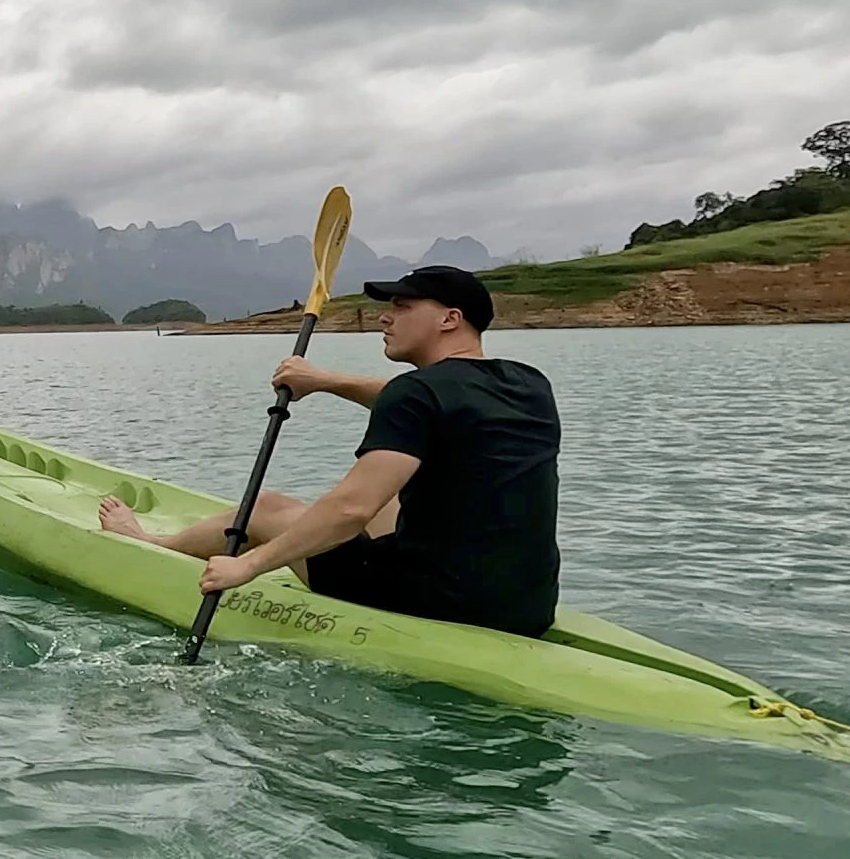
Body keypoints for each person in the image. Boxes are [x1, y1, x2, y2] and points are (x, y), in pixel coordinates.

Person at [95, 265, 563, 637]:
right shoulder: (527, 384)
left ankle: (153, 544)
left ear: (449, 319)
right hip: (528, 605)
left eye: (402, 306)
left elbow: (352, 509)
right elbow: (419, 402)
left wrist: (247, 566)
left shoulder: (417, 394)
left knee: (269, 507)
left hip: (438, 604)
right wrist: (322, 382)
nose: (385, 316)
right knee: (401, 490)